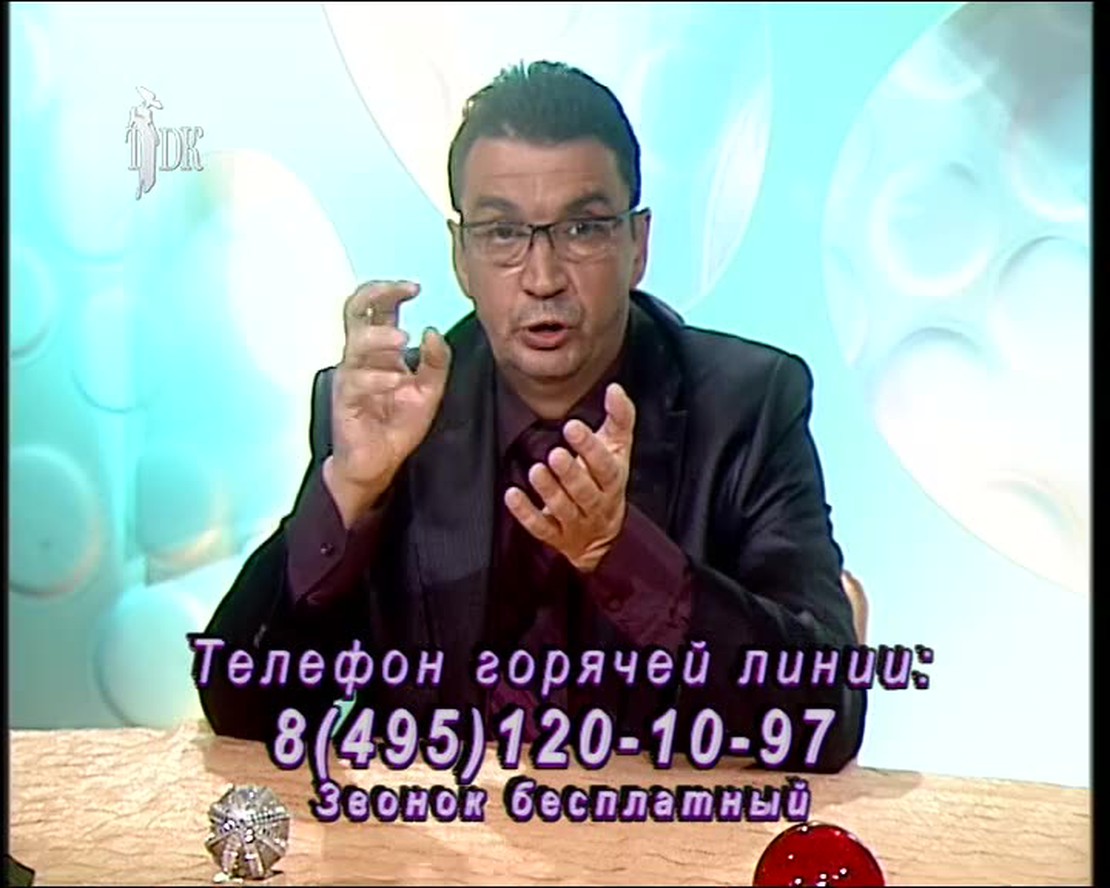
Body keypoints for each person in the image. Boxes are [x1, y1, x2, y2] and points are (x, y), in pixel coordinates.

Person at [197, 60, 866, 773]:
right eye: (502, 233)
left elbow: (826, 719)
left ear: (637, 245)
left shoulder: (748, 405)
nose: (543, 278)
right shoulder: (390, 414)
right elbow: (242, 705)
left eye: (582, 228)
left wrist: (621, 555)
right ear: (461, 256)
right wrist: (349, 495)